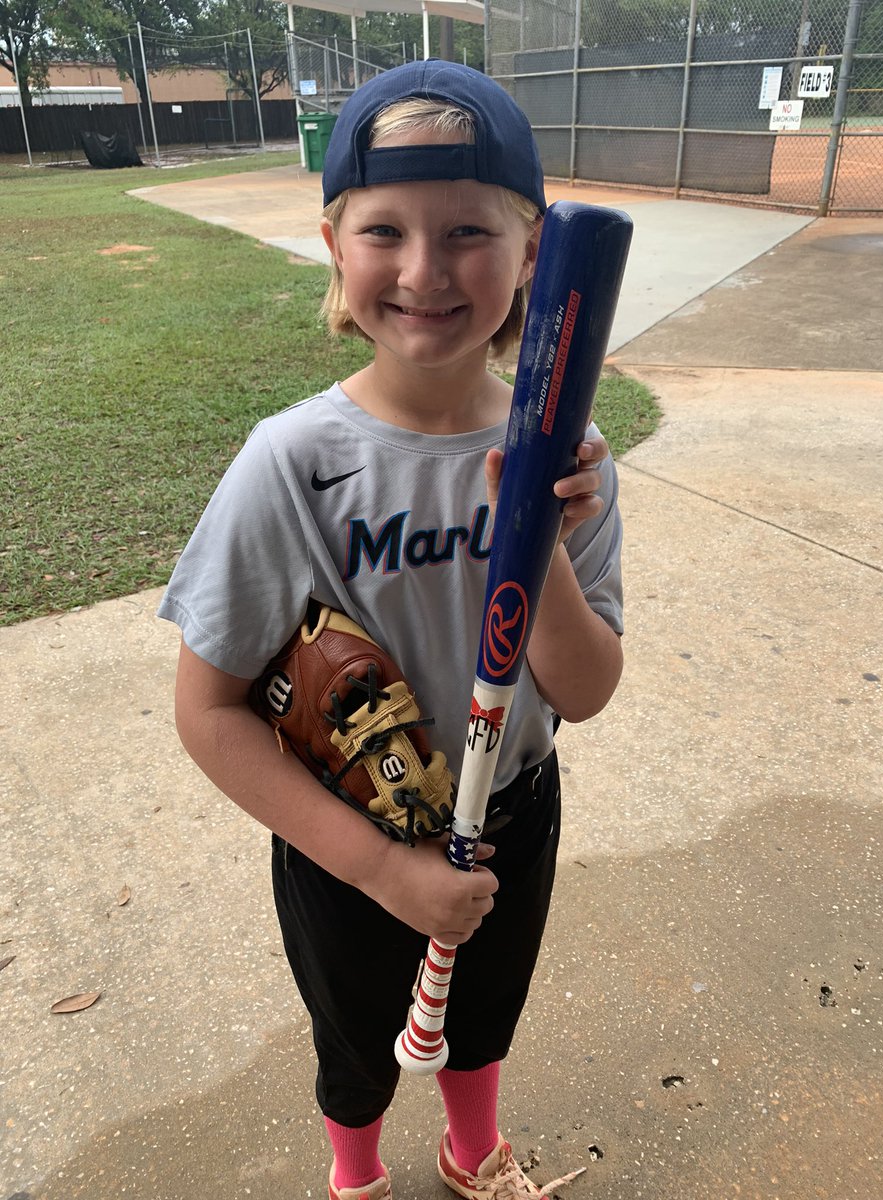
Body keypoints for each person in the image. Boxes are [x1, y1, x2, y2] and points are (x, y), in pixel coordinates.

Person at [159, 59, 624, 1200]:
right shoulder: (294, 464)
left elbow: (589, 684)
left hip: (511, 807)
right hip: (347, 836)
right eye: (385, 231)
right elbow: (208, 711)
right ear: (334, 245)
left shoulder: (573, 458)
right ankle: (354, 1178)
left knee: (484, 1011)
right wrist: (379, 869)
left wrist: (545, 533)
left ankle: (472, 1154)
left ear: (533, 251)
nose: (424, 270)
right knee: (359, 1037)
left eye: (469, 229)